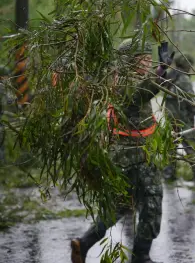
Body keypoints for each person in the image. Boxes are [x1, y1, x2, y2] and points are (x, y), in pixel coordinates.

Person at [71, 39, 171, 263]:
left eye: (148, 59)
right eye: (143, 60)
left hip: (125, 155)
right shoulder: (124, 82)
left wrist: (160, 74)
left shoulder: (117, 78)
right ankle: (141, 256)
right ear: (129, 61)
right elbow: (141, 91)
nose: (147, 64)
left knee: (119, 206)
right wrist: (161, 71)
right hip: (137, 157)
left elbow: (146, 90)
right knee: (152, 203)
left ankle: (84, 243)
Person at [162, 54, 195, 184]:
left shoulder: (170, 77)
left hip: (171, 118)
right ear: (187, 65)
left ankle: (168, 176)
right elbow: (190, 100)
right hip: (183, 119)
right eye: (191, 65)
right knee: (191, 147)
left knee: (170, 147)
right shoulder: (184, 79)